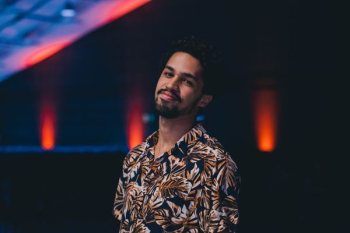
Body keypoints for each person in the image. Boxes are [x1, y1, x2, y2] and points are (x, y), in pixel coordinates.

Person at [113, 36, 241, 232]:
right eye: (168, 74)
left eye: (187, 81)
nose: (171, 85)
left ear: (204, 99)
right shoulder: (134, 158)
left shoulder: (215, 163)